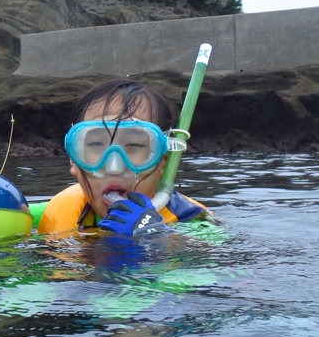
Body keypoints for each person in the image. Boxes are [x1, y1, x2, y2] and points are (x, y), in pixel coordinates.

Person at [37, 79, 209, 236]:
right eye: (96, 144)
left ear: (163, 160)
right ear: (74, 159)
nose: (114, 168)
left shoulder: (193, 221)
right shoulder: (63, 208)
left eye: (134, 145)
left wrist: (154, 239)